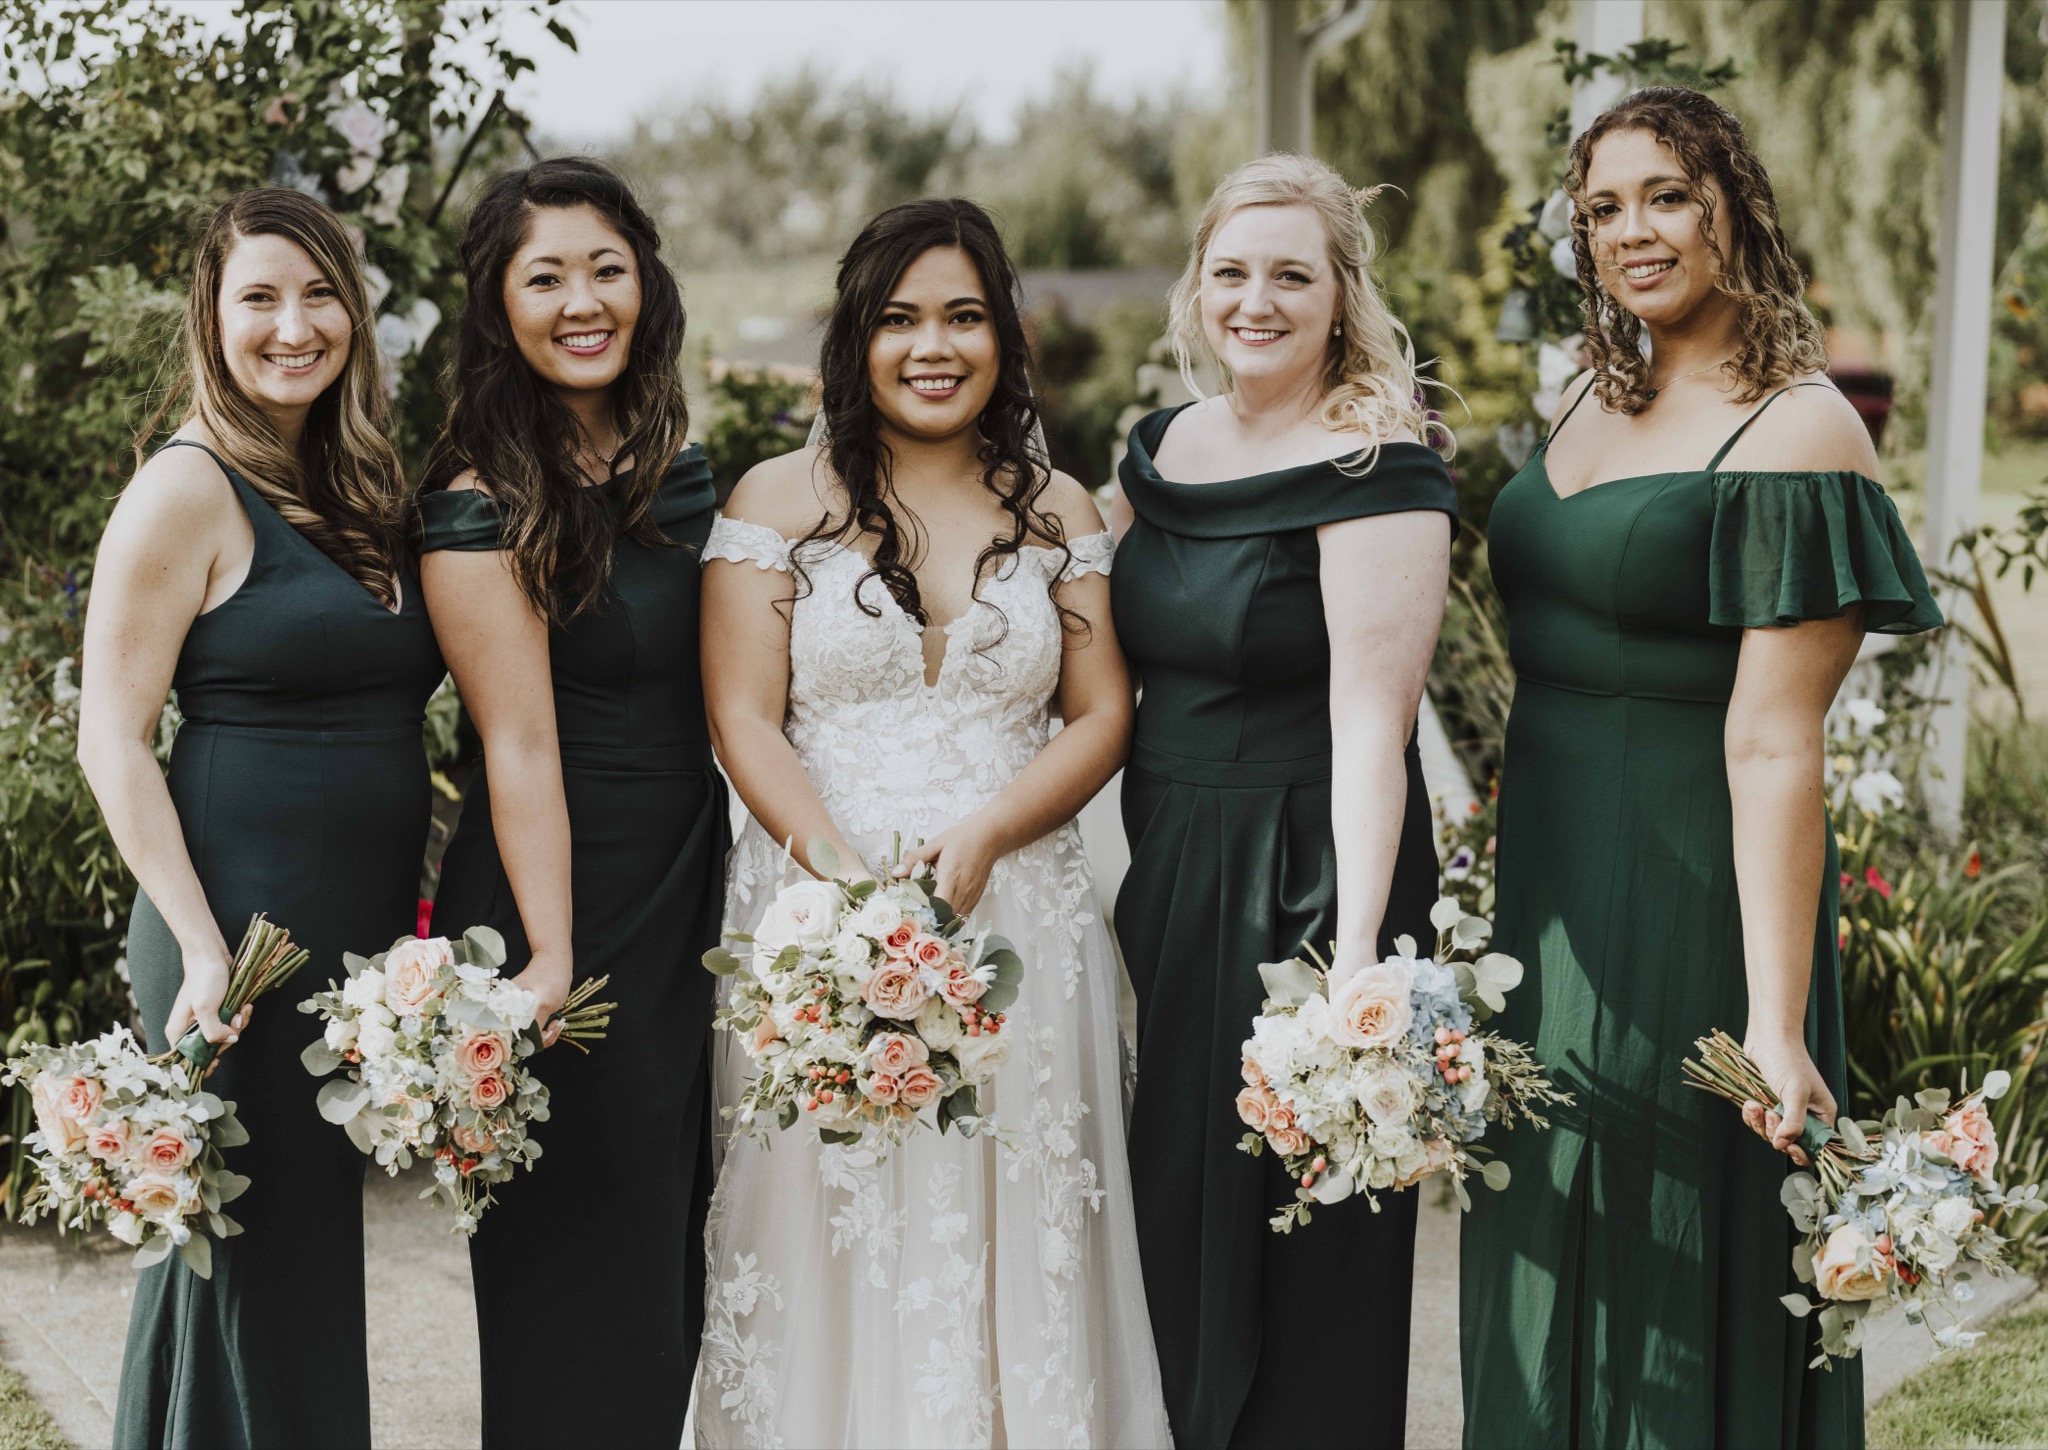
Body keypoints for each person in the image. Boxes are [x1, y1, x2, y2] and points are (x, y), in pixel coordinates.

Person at [1458, 87, 1943, 1450]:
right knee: (1549, 1230)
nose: (1632, 232)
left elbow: (1779, 738)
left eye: (1667, 195)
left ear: (1735, 203)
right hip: (1549, 886)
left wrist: (1776, 1023)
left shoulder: (1800, 433)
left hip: (1694, 894)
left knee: (1679, 1255)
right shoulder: (1588, 397)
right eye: (1603, 209)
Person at [693, 197, 1171, 1449]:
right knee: (827, 1208)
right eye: (899, 317)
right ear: (854, 338)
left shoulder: (1058, 505)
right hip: (815, 913)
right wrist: (846, 894)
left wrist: (986, 836)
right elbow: (743, 721)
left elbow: (1101, 711)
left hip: (1020, 910)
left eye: (963, 315)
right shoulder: (774, 501)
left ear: (1004, 337)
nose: (932, 344)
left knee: (1017, 1205)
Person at [79, 187, 444, 1449]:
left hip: (347, 952)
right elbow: (110, 739)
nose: (294, 326)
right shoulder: (186, 489)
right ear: (211, 317)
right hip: (232, 942)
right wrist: (196, 944)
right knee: (254, 1271)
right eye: (260, 299)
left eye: (319, 293)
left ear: (355, 310)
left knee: (259, 1271)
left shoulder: (357, 482)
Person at [1112, 153, 1458, 1449]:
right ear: (1198, 285)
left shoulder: (1377, 464)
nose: (1257, 299)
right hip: (1178, 861)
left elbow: (1375, 721)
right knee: (1182, 1196)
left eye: (1291, 275)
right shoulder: (1161, 453)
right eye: (1233, 271)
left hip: (1318, 859)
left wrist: (1360, 964)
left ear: (1340, 294)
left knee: (1310, 1206)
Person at [414, 156, 724, 1449]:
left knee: (673, 1249)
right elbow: (519, 742)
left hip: (686, 881)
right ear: (498, 305)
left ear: (647, 282)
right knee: (572, 1259)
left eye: (607, 267)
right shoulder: (477, 499)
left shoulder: (683, 468)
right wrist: (549, 958)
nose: (583, 299)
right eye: (546, 276)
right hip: (560, 896)